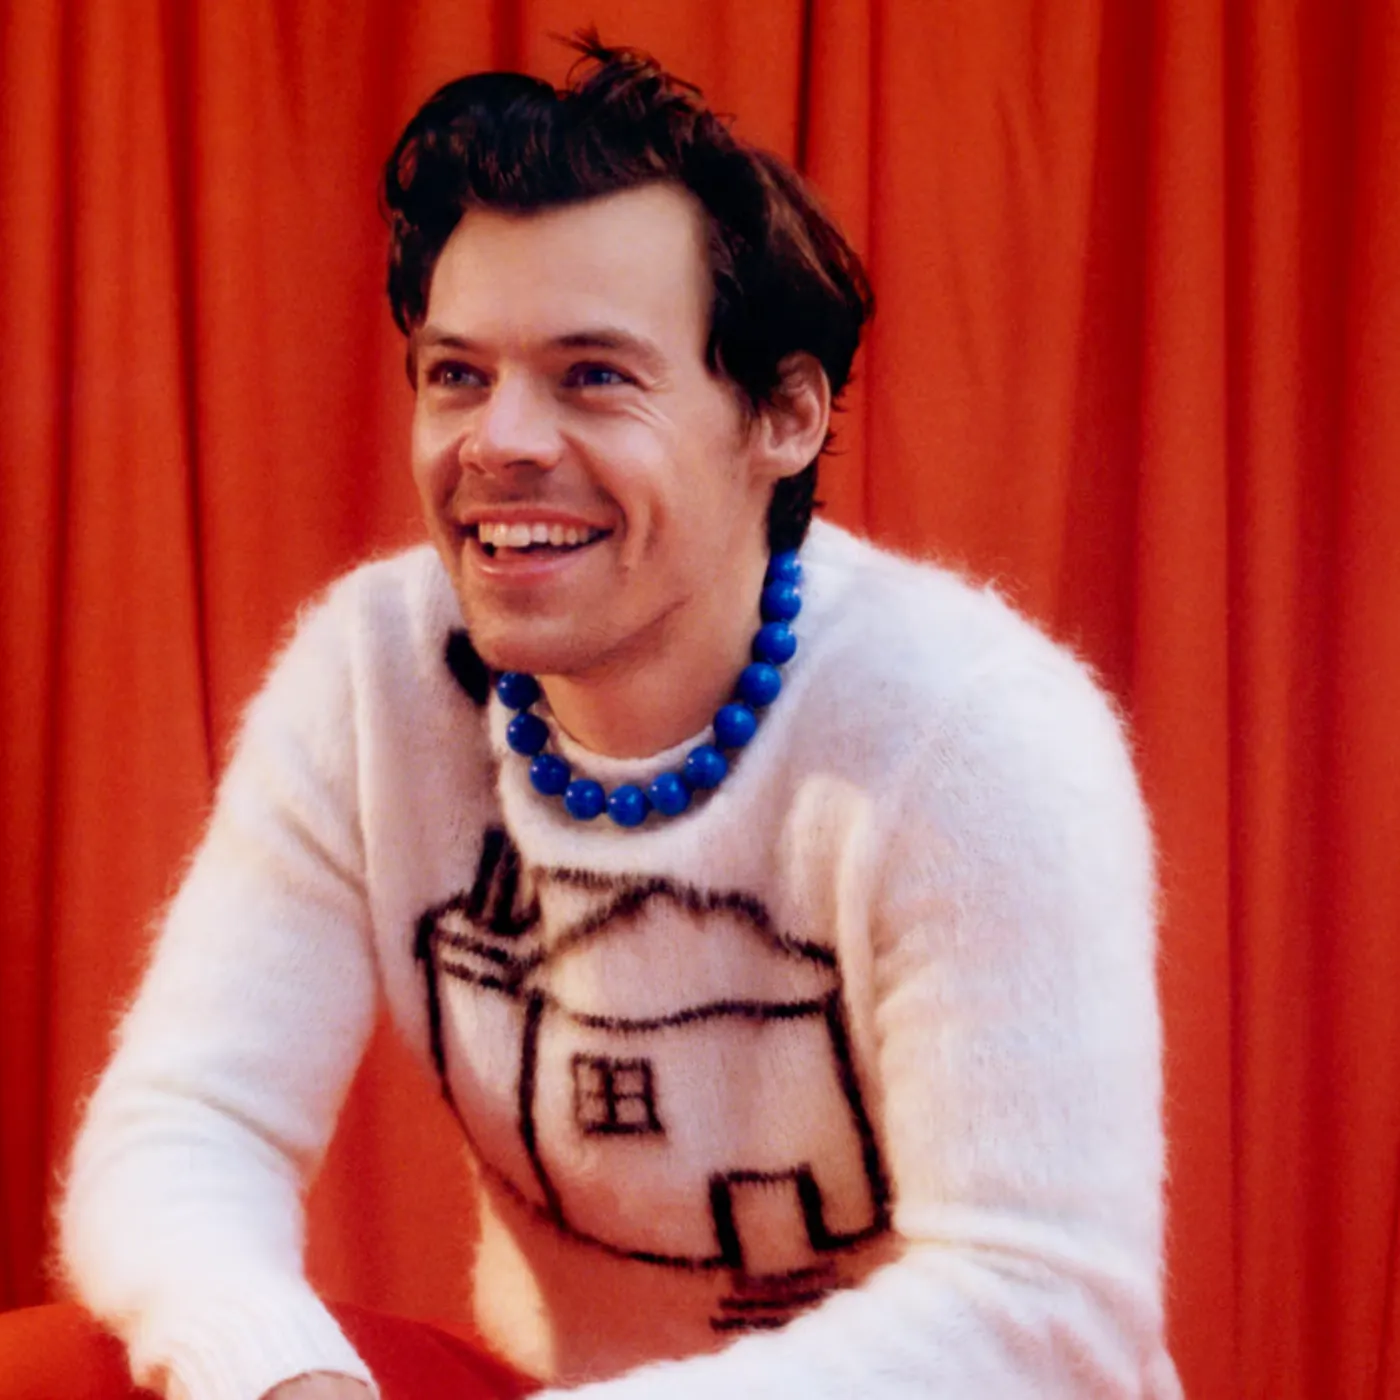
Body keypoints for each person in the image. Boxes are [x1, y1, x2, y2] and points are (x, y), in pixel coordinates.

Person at [57, 35, 1181, 1400]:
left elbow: (1042, 1309)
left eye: (593, 375)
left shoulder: (978, 731)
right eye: (457, 374)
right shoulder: (372, 675)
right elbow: (183, 1124)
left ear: (783, 418)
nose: (500, 442)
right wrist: (281, 1372)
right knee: (61, 1370)